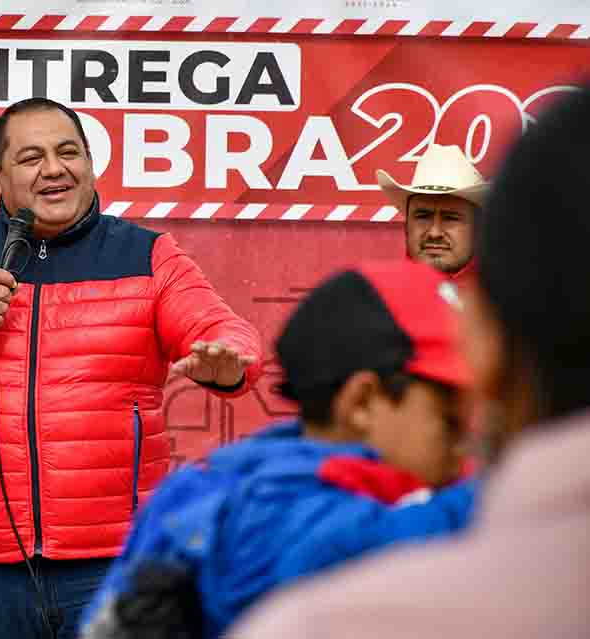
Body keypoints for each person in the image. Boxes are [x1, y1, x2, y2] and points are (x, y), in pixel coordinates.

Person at [0, 97, 263, 639]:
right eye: (32, 157)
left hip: (116, 562)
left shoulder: (146, 254)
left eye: (69, 152)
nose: (54, 168)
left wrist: (227, 365)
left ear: (90, 165)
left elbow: (227, 334)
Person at [230, 86, 590, 639]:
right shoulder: (368, 304)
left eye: (452, 216)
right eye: (424, 215)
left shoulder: (521, 312)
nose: (435, 229)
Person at [78, 258, 476, 639]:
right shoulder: (317, 530)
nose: (464, 446)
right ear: (362, 402)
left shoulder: (208, 484)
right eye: (450, 420)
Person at [378, 144, 487, 279]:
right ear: (406, 226)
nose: (434, 233)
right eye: (423, 216)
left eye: (450, 218)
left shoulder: (507, 297)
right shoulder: (377, 297)